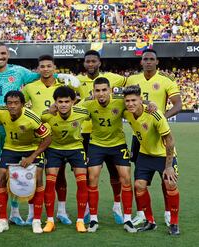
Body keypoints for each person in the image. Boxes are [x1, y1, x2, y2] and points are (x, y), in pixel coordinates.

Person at [0, 42, 78, 226]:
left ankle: (14, 212)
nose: (0, 57)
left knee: (15, 172)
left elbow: (42, 74)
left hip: (14, 130)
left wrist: (60, 75)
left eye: (3, 53)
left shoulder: (19, 72)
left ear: (8, 55)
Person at [125, 49, 182, 226]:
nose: (148, 62)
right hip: (139, 136)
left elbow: (178, 104)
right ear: (141, 62)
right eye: (145, 59)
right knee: (140, 179)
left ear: (157, 62)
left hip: (159, 133)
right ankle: (142, 214)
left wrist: (159, 117)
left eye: (151, 59)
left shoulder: (166, 80)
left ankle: (167, 213)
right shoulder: (132, 80)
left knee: (166, 180)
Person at [76, 50, 127, 224]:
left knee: (115, 173)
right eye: (87, 61)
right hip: (85, 134)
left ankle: (117, 204)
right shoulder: (77, 81)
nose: (90, 64)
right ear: (84, 64)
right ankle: (88, 208)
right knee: (86, 174)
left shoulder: (112, 78)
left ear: (99, 63)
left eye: (93, 61)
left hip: (111, 133)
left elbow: (132, 81)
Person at [0, 90, 51, 234]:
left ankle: (36, 220)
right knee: (0, 178)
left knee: (38, 179)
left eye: (16, 103)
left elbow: (47, 139)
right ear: (6, 105)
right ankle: (3, 221)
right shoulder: (0, 111)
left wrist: (32, 157)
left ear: (23, 104)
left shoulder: (32, 117)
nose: (12, 106)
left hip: (31, 148)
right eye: (9, 103)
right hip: (10, 148)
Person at [22, 54, 71, 225]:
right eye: (42, 66)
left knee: (60, 176)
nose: (45, 69)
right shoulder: (29, 87)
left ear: (54, 68)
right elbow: (21, 106)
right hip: (38, 139)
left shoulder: (63, 86)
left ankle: (62, 211)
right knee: (34, 177)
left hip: (59, 138)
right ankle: (31, 213)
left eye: (49, 66)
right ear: (38, 69)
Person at [81, 77, 135, 233]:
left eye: (104, 90)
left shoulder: (120, 102)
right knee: (92, 178)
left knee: (125, 178)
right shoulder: (88, 105)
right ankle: (93, 219)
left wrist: (150, 104)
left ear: (110, 90)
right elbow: (73, 111)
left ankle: (128, 219)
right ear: (93, 92)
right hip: (96, 145)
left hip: (118, 145)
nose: (101, 93)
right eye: (97, 90)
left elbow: (137, 103)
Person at [41, 86, 89, 233]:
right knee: (50, 183)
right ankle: (50, 221)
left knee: (82, 182)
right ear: (55, 102)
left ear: (73, 102)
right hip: (54, 149)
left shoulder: (82, 113)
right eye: (60, 101)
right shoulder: (47, 115)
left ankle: (80, 221)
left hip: (75, 148)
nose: (63, 104)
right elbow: (38, 120)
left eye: (66, 101)